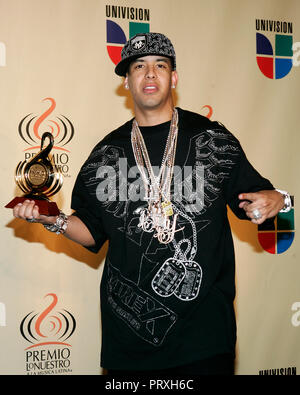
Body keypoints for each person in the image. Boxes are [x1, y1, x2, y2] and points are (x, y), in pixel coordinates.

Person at [13, 32, 291, 375]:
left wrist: (278, 198)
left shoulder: (212, 139)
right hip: (129, 334)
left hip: (204, 336)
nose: (149, 74)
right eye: (139, 66)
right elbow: (91, 232)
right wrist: (50, 218)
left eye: (160, 65)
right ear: (126, 82)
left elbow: (259, 196)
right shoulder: (105, 155)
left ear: (173, 78)